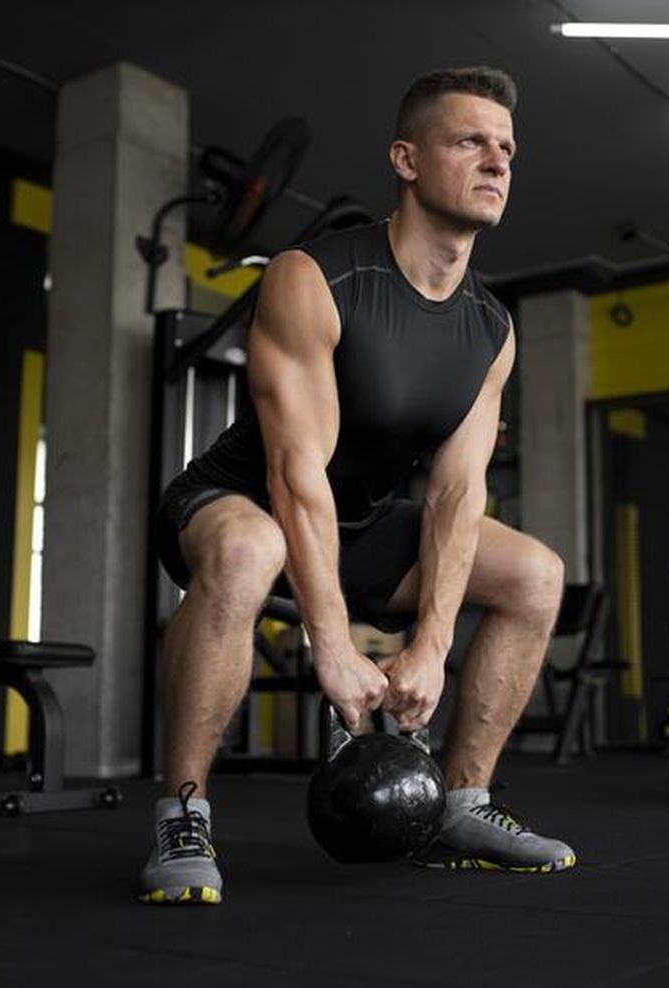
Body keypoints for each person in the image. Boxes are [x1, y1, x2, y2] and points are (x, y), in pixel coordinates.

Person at [139, 66, 575, 905]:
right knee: (249, 544)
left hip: (361, 525)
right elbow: (293, 476)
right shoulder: (316, 276)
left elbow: (456, 495)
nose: (497, 160)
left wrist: (432, 648)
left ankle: (460, 805)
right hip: (236, 503)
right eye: (470, 141)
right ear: (406, 160)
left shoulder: (491, 328)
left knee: (534, 574)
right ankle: (181, 813)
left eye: (508, 148)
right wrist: (331, 645)